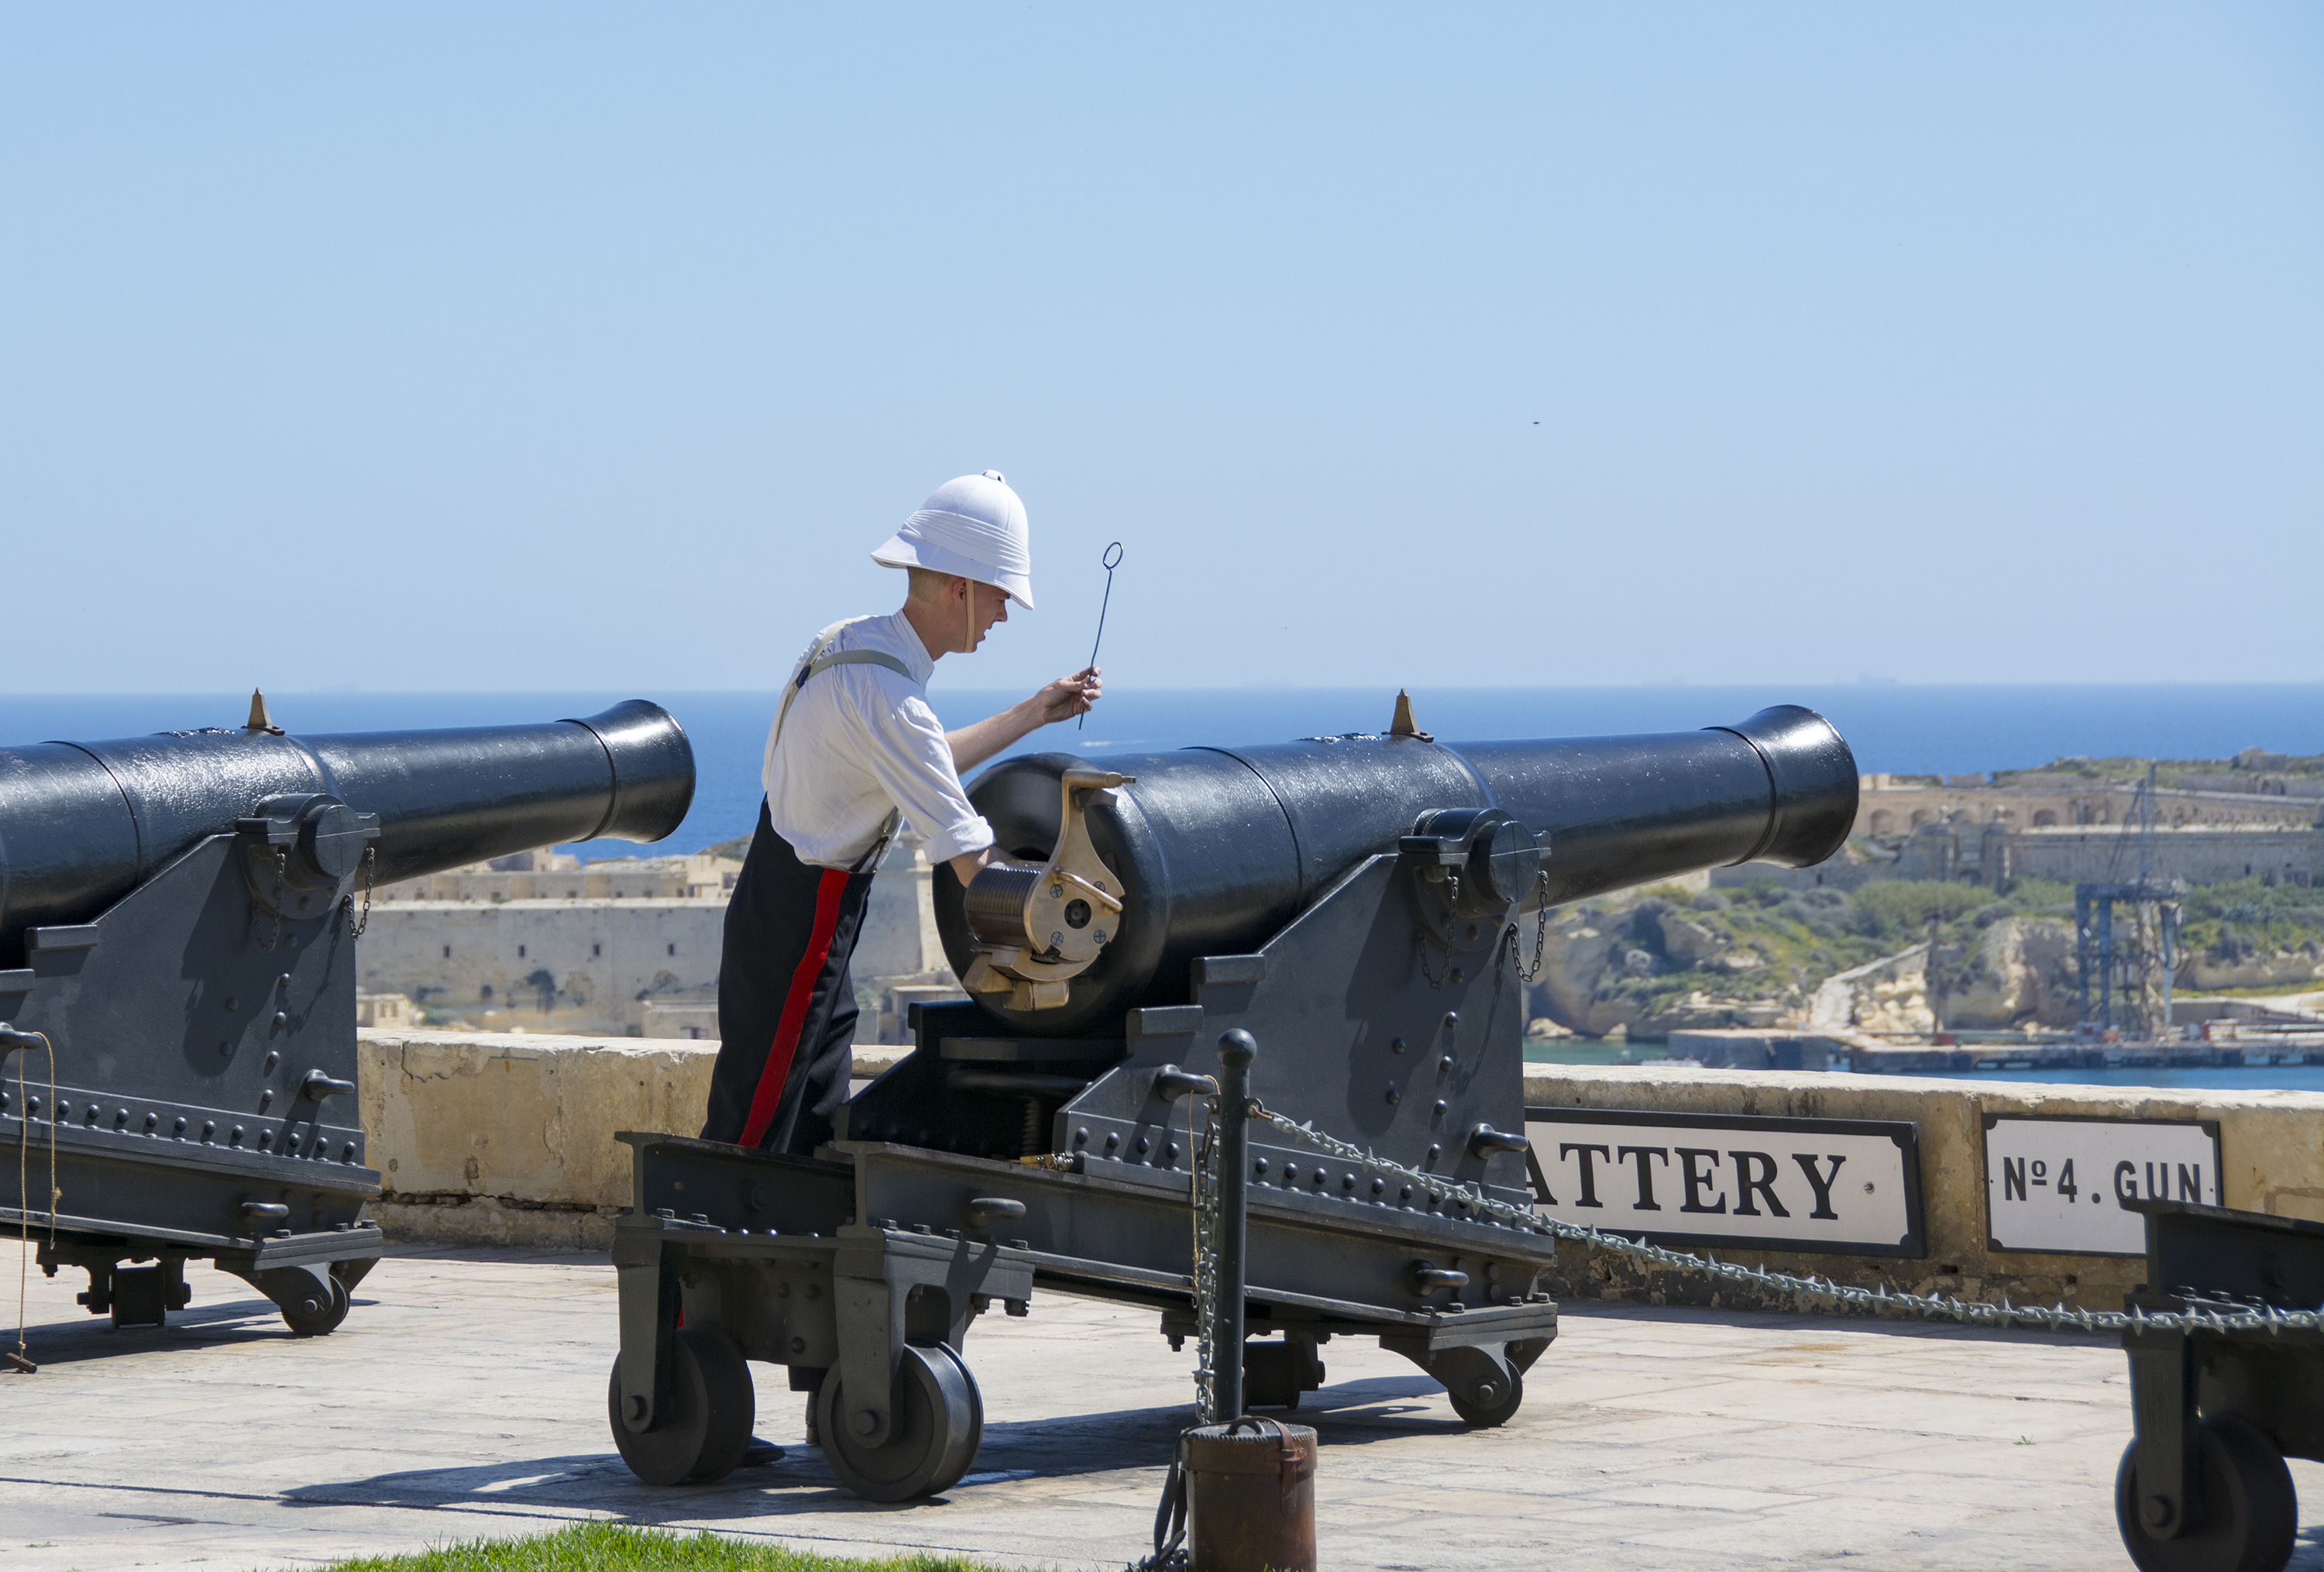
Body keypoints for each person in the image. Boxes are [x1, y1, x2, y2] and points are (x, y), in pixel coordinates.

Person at [702, 470, 1100, 1156]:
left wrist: (1034, 712)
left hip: (783, 891)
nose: (1004, 615)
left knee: (809, 1110)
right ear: (961, 589)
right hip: (807, 913)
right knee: (755, 1128)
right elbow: (975, 866)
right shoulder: (893, 699)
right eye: (1002, 596)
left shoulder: (852, 644)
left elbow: (918, 759)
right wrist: (1070, 904)